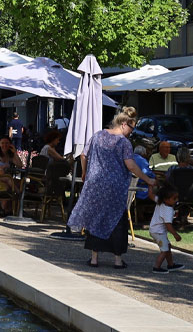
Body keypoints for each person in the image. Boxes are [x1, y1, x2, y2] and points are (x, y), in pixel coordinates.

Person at [67, 107, 157, 269]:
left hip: (95, 185)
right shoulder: (123, 142)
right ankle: (117, 260)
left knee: (95, 219)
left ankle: (94, 259)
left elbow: (83, 155)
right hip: (115, 187)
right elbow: (131, 166)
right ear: (124, 124)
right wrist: (147, 179)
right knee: (117, 220)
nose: (131, 132)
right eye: (131, 128)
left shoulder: (97, 135)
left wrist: (85, 171)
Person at [149, 184, 185, 273]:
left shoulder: (160, 201)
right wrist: (175, 235)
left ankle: (171, 264)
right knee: (164, 249)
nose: (176, 200)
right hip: (158, 232)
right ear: (166, 199)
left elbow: (150, 195)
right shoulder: (168, 211)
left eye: (177, 198)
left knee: (167, 246)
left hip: (155, 230)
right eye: (174, 198)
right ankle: (157, 267)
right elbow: (168, 225)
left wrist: (150, 185)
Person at [0, 137, 23, 214]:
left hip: (5, 178)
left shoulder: (9, 155)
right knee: (9, 180)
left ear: (10, 144)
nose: (4, 145)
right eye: (2, 143)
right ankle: (20, 195)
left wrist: (15, 152)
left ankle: (12, 209)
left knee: (19, 182)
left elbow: (20, 165)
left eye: (7, 143)